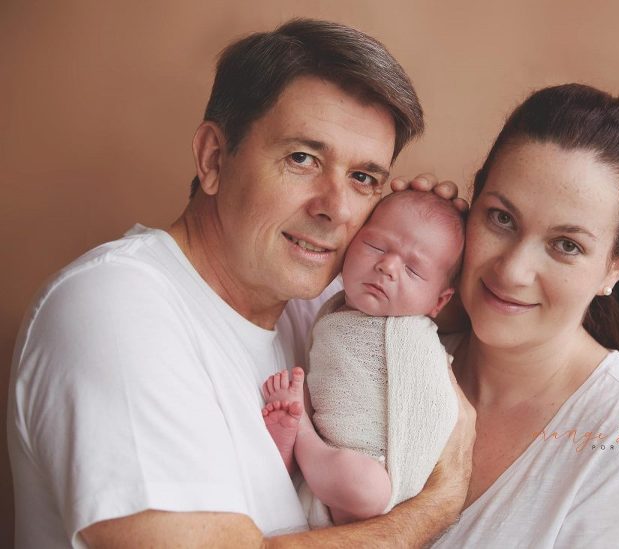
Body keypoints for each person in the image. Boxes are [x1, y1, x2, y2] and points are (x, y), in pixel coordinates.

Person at [7, 19, 475, 548]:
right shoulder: (117, 308)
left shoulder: (316, 307)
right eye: (303, 159)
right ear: (213, 159)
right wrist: (436, 505)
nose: (337, 209)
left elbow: (460, 316)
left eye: (363, 178)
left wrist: (437, 232)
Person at [431, 83, 619, 548]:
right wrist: (393, 238)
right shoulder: (405, 349)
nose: (514, 270)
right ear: (472, 202)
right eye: (501, 218)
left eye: (567, 245)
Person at [262, 190, 465, 526]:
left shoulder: (415, 338)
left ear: (439, 302)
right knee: (349, 477)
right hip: (331, 469)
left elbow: (434, 409)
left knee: (367, 486)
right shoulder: (331, 310)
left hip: (380, 473)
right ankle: (296, 441)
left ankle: (301, 438)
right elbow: (324, 379)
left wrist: (404, 482)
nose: (387, 266)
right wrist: (302, 403)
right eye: (376, 247)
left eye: (413, 270)